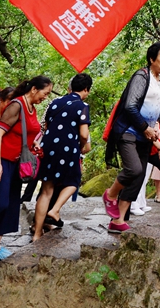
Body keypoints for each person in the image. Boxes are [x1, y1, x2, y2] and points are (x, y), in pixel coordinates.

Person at [0, 75, 52, 259]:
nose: (45, 97)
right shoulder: (16, 105)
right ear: (33, 89)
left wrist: (34, 146)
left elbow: (24, 134)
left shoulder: (31, 108)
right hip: (2, 162)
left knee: (11, 205)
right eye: (44, 93)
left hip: (17, 163)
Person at [103, 42, 160, 233]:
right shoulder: (142, 76)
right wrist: (145, 127)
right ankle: (109, 195)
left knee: (139, 176)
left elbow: (159, 106)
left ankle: (117, 221)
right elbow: (130, 106)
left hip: (146, 135)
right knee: (133, 169)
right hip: (129, 131)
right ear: (152, 59)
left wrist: (156, 125)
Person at [32, 74, 92, 241]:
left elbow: (47, 125)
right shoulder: (83, 106)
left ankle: (37, 234)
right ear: (86, 89)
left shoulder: (55, 102)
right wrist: (80, 146)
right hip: (68, 147)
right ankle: (55, 210)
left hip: (48, 147)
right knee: (73, 182)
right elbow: (84, 133)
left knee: (46, 191)